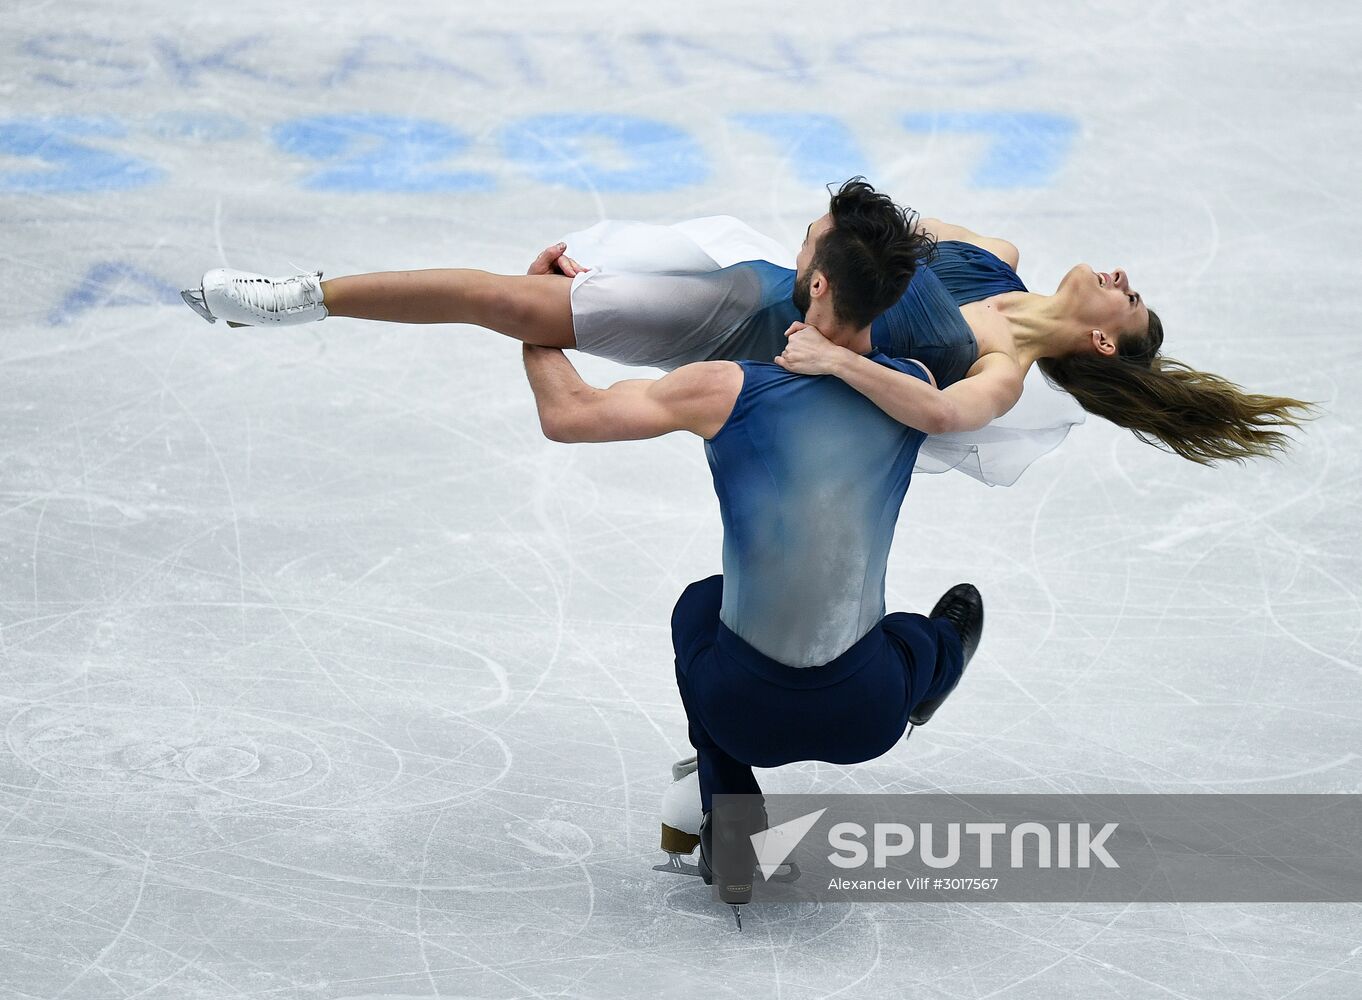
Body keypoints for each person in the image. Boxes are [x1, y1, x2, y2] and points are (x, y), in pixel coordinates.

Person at [182, 181, 1314, 485]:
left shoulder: (1010, 369)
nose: (1118, 274)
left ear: (1104, 346)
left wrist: (828, 356)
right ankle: (295, 296)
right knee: (515, 301)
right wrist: (828, 281)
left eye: (1129, 294)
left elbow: (941, 411)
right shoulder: (993, 257)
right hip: (760, 288)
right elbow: (851, 228)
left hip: (765, 357)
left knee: (527, 317)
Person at [518, 190, 985, 923]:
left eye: (804, 245)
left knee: (700, 607)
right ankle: (935, 670)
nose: (795, 255)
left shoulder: (725, 387)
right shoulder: (914, 390)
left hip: (744, 711)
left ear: (819, 284)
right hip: (867, 714)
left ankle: (732, 829)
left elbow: (568, 415)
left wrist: (536, 322)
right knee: (917, 635)